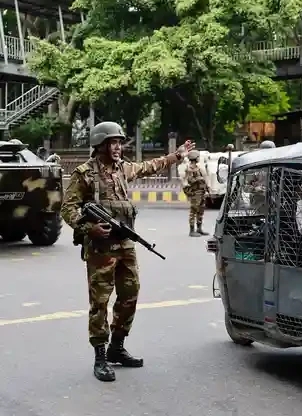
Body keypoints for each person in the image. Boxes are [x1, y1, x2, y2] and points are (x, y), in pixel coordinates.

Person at [60, 121, 194, 382]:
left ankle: (117, 348)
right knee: (100, 301)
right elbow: (68, 208)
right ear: (100, 145)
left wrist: (176, 155)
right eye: (113, 142)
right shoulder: (85, 173)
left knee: (130, 294)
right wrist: (88, 227)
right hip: (101, 248)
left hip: (125, 244)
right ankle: (100, 356)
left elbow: (148, 167)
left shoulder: (123, 169)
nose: (118, 147)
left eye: (120, 142)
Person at [183, 149, 209, 236]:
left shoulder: (197, 168)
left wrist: (206, 188)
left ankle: (199, 228)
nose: (199, 158)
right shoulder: (190, 169)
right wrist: (199, 179)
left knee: (201, 211)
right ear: (195, 157)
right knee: (193, 211)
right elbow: (190, 180)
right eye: (198, 157)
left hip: (201, 192)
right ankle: (191, 230)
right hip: (195, 192)